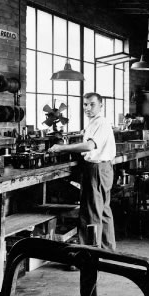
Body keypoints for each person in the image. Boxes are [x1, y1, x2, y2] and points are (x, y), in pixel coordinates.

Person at [49, 93, 117, 250]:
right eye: (85, 104)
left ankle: (88, 257)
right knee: (103, 212)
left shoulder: (100, 122)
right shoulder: (94, 122)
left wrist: (61, 147)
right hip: (103, 169)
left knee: (91, 214)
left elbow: (89, 146)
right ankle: (108, 252)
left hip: (96, 169)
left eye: (92, 104)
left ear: (101, 105)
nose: (87, 108)